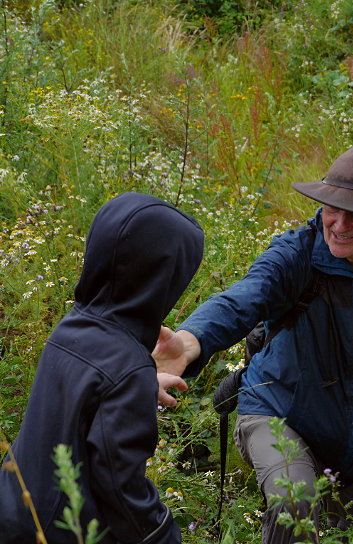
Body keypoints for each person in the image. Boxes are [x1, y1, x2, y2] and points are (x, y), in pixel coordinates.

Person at [152, 139, 353, 543]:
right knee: (295, 501)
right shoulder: (298, 254)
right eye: (331, 209)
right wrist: (188, 342)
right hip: (278, 414)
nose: (338, 225)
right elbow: (246, 296)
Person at [0, 192, 204, 544]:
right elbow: (119, 485)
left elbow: (84, 393)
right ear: (162, 279)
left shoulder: (72, 326)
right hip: (63, 531)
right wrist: (161, 533)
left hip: (15, 505)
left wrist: (134, 384)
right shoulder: (128, 367)